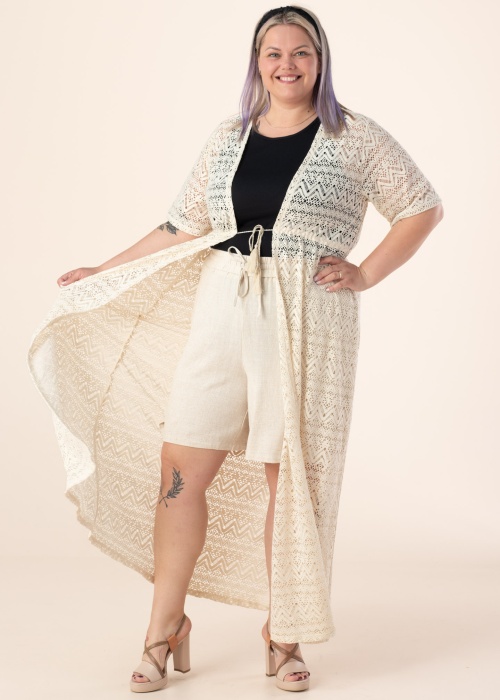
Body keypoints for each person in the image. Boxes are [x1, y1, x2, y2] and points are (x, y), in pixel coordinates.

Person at [28, 5, 443, 693]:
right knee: (181, 467)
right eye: (273, 53)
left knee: (290, 477)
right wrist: (105, 268)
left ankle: (284, 635)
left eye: (301, 52)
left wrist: (367, 272)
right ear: (257, 63)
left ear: (320, 60)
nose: (287, 64)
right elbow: (180, 224)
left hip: (307, 312)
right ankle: (165, 627)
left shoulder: (354, 136)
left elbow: (421, 206)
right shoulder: (229, 137)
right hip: (224, 300)